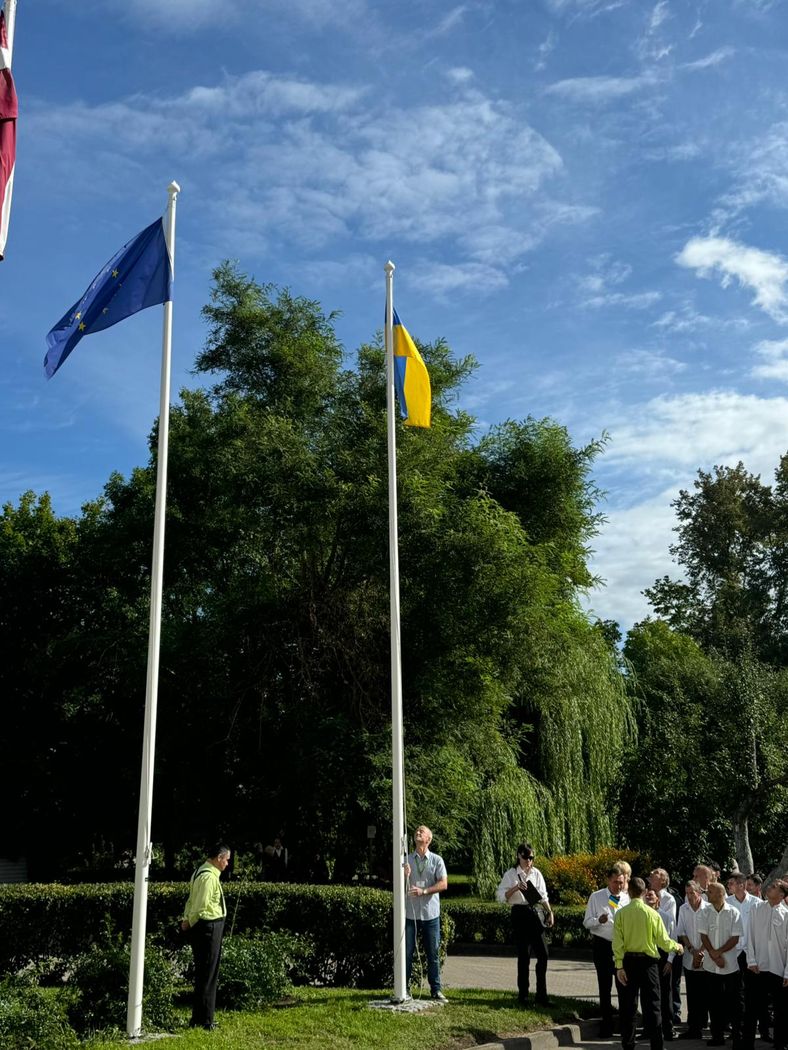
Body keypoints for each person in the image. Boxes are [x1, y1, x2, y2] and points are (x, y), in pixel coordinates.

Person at [613, 877, 683, 1050]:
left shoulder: (620, 914)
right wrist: (677, 947)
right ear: (644, 892)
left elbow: (617, 943)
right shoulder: (652, 914)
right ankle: (656, 1045)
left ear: (629, 892)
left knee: (629, 1006)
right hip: (649, 964)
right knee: (653, 1006)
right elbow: (663, 941)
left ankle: (628, 1044)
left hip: (628, 962)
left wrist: (619, 966)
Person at [497, 843, 555, 1006]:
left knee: (543, 954)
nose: (529, 861)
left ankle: (541, 995)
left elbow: (543, 896)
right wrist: (516, 888)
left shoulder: (536, 873)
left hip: (535, 913)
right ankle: (523, 995)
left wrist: (550, 912)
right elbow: (501, 896)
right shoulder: (511, 874)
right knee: (524, 955)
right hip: (519, 913)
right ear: (519, 856)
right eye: (526, 857)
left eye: (531, 858)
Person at [181, 844, 231, 1031]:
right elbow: (200, 906)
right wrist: (189, 922)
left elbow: (191, 900)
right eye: (226, 860)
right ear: (219, 858)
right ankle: (206, 1020)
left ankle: (199, 1017)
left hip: (206, 927)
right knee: (209, 974)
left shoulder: (200, 871)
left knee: (204, 973)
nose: (227, 864)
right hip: (209, 927)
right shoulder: (209, 877)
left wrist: (186, 918)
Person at [696, 881, 744, 1048]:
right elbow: (703, 936)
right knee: (714, 1003)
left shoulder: (733, 912)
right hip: (711, 967)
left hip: (730, 967)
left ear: (720, 894)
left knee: (735, 1004)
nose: (706, 894)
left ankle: (737, 1037)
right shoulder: (705, 912)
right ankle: (717, 1037)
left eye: (710, 891)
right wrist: (713, 954)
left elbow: (735, 938)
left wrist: (719, 952)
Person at [584, 864, 630, 1036]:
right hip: (602, 945)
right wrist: (598, 920)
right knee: (605, 987)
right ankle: (607, 1025)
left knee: (623, 986)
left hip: (621, 947)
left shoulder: (627, 898)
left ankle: (625, 1025)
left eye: (621, 882)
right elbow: (587, 922)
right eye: (615, 882)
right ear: (608, 881)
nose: (618, 886)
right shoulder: (596, 897)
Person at [404, 825, 448, 1002]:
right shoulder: (406, 859)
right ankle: (404, 989)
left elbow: (443, 884)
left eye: (422, 831)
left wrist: (424, 891)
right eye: (417, 831)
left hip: (430, 915)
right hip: (410, 914)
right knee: (407, 954)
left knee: (433, 954)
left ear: (428, 839)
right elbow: (397, 885)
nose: (418, 832)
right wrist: (403, 875)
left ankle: (435, 990)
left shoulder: (437, 860)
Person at [742, 879, 788, 1050]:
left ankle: (780, 1044)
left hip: (778, 969)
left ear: (782, 894)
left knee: (781, 1010)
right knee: (751, 1008)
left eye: (774, 887)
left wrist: (787, 972)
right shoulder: (756, 908)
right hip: (757, 968)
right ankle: (747, 1044)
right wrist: (751, 960)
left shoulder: (786, 914)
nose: (769, 888)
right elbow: (749, 935)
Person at [675, 879, 710, 1040]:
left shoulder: (708, 909)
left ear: (699, 892)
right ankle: (694, 1027)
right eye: (687, 893)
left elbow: (710, 932)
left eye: (692, 893)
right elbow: (681, 931)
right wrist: (691, 949)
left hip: (706, 956)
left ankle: (704, 1024)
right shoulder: (684, 908)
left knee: (706, 993)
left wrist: (701, 951)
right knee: (692, 994)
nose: (689, 896)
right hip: (690, 956)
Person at [650, 868, 681, 1027]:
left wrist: (670, 958)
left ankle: (668, 1025)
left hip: (663, 948)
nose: (650, 876)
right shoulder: (644, 895)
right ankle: (651, 1025)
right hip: (647, 949)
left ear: (663, 880)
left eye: (654, 875)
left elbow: (670, 927)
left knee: (665, 989)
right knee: (650, 990)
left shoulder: (669, 899)